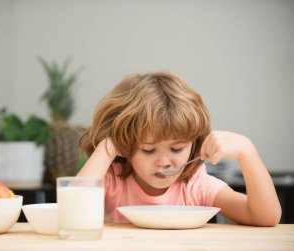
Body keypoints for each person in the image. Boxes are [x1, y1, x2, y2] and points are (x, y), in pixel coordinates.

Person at [78, 71, 281, 226]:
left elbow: (265, 217)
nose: (164, 161)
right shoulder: (113, 179)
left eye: (177, 149)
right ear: (124, 145)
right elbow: (73, 210)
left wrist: (248, 153)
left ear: (194, 144)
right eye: (148, 150)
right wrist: (107, 148)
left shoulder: (195, 185)